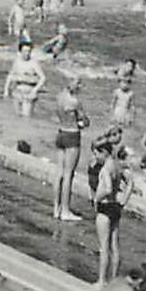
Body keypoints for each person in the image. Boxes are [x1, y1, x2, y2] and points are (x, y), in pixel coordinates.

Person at [94, 144, 135, 285]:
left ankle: (101, 280)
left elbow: (107, 188)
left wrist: (96, 198)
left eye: (96, 154)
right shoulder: (118, 167)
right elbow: (130, 183)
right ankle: (113, 280)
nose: (96, 157)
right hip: (115, 208)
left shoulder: (106, 169)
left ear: (104, 152)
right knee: (115, 246)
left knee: (104, 247)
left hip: (105, 207)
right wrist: (124, 199)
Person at [53, 77, 87, 222]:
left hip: (60, 132)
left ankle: (56, 208)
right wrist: (83, 122)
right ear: (71, 83)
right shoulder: (75, 102)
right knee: (68, 175)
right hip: (72, 135)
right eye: (78, 82)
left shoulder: (59, 97)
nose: (80, 86)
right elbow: (84, 120)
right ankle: (65, 210)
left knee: (59, 173)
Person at [3, 39, 46, 117]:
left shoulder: (34, 63)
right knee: (17, 116)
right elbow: (10, 76)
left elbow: (42, 78)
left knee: (26, 116)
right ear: (20, 52)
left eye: (29, 51)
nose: (27, 53)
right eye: (25, 51)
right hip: (17, 91)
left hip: (29, 92)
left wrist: (35, 90)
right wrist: (6, 90)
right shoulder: (17, 62)